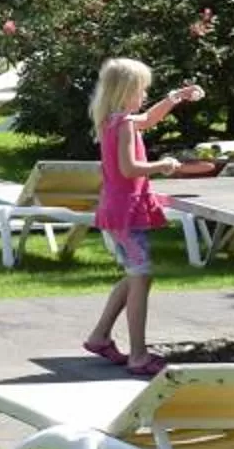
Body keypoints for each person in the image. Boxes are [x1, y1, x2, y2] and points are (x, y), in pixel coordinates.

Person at [82, 57, 203, 377]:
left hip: (120, 210)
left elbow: (148, 119)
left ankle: (99, 337)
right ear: (125, 91)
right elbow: (129, 169)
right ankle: (138, 355)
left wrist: (175, 97)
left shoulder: (117, 120)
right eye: (142, 90)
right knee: (141, 277)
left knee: (137, 275)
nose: (145, 96)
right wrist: (163, 165)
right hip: (124, 213)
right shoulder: (122, 125)